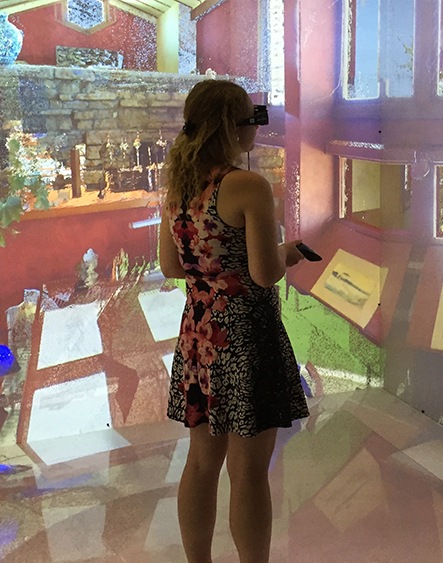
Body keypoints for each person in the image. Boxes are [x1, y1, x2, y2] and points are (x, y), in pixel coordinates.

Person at [158, 79, 310, 563]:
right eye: (253, 118)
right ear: (231, 126)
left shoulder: (179, 187)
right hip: (247, 338)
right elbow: (265, 274)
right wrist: (288, 252)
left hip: (199, 337)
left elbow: (171, 266)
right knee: (248, 474)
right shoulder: (247, 186)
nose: (257, 128)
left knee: (202, 465)